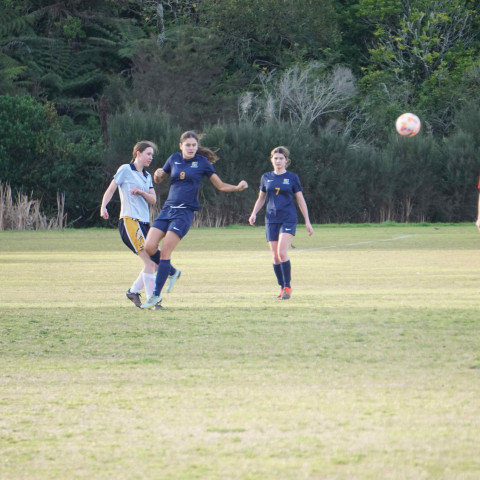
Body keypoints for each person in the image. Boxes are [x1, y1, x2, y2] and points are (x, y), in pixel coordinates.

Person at [140, 131, 248, 309]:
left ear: (197, 147)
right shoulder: (173, 159)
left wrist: (237, 187)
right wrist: (157, 174)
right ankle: (172, 272)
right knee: (149, 247)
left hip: (184, 213)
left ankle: (156, 296)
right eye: (187, 145)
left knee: (165, 252)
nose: (191, 148)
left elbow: (220, 185)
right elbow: (159, 179)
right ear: (180, 146)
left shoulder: (202, 163)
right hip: (167, 209)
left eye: (194, 145)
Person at [100, 141, 180, 311]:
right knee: (151, 263)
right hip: (130, 221)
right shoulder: (125, 170)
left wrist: (142, 192)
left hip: (145, 223)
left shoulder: (147, 176)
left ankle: (133, 291)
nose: (151, 157)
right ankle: (154, 302)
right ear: (138, 153)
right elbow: (111, 188)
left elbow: (153, 199)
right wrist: (103, 206)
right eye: (148, 154)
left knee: (154, 264)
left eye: (152, 155)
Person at [249, 146, 313, 300]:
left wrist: (307, 221)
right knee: (275, 257)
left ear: (286, 160)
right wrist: (254, 213)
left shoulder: (292, 178)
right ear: (272, 160)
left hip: (288, 218)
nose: (278, 161)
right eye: (275, 158)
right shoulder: (266, 177)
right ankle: (281, 287)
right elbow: (261, 198)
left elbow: (300, 199)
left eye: (281, 158)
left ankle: (287, 287)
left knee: (282, 252)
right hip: (271, 219)